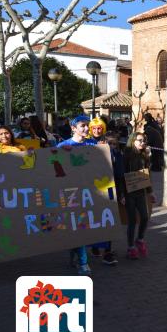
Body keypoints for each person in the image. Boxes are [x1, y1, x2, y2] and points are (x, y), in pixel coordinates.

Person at [57, 115, 97, 275]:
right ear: (73, 128)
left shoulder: (93, 143)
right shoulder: (63, 145)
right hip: (69, 192)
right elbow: (54, 167)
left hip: (90, 192)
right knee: (76, 225)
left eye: (87, 125)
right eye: (83, 126)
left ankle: (76, 254)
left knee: (83, 225)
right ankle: (83, 261)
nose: (86, 129)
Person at [89, 131, 123, 266]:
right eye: (109, 143)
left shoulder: (118, 156)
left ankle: (107, 252)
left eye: (114, 144)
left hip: (111, 192)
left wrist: (120, 194)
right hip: (97, 192)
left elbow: (120, 175)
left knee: (109, 221)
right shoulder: (95, 154)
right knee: (97, 220)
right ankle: (95, 246)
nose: (112, 146)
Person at [122, 132, 156, 259]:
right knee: (132, 221)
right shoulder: (126, 156)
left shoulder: (144, 156)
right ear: (133, 141)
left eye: (144, 141)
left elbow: (146, 175)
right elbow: (121, 176)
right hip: (129, 193)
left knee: (145, 217)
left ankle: (140, 239)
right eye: (140, 140)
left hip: (141, 192)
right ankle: (130, 247)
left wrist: (150, 192)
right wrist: (122, 194)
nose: (143, 143)